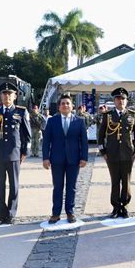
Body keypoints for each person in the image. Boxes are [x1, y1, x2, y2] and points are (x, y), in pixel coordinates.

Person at [0, 82, 31, 225]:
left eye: (10, 94)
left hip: (14, 154)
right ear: (1, 96)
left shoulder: (21, 111)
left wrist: (25, 151)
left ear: (15, 96)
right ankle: (1, 214)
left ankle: (11, 214)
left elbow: (27, 134)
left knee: (14, 185)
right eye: (4, 94)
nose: (7, 96)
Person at [42, 94, 88, 224]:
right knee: (57, 187)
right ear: (59, 106)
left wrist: (84, 157)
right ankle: (55, 213)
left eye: (68, 103)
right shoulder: (52, 121)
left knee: (71, 187)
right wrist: (45, 158)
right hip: (56, 159)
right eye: (63, 103)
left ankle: (70, 212)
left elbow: (83, 141)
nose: (65, 105)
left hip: (74, 159)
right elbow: (46, 141)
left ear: (72, 106)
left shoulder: (79, 121)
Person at [97, 87, 135, 218]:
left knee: (126, 181)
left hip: (128, 154)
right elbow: (100, 136)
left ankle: (125, 206)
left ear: (126, 101)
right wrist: (103, 151)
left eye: (123, 99)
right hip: (112, 154)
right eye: (118, 98)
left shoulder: (132, 115)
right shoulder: (108, 116)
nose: (120, 101)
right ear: (114, 101)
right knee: (115, 181)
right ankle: (116, 207)